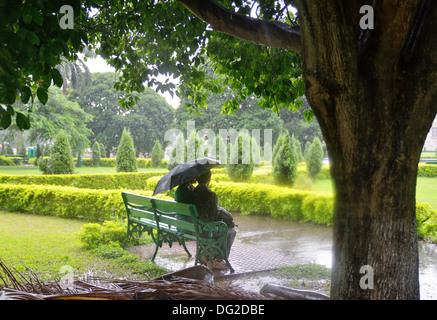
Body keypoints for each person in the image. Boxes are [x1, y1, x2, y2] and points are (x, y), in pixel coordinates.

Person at [192, 170, 236, 270]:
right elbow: (213, 217)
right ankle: (219, 261)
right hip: (206, 231)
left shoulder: (192, 193)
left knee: (218, 228)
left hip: (195, 229)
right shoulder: (210, 195)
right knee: (231, 231)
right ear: (208, 179)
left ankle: (205, 257)